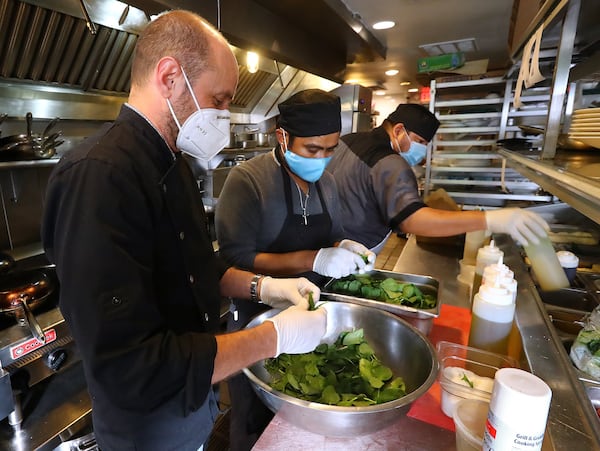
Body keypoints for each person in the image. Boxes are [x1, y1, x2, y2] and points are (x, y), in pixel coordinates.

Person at [41, 10, 327, 451]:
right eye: (220, 99)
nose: (225, 115)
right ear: (170, 77)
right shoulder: (98, 176)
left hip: (194, 406)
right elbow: (132, 365)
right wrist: (275, 336)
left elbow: (198, 268)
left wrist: (267, 288)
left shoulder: (172, 163)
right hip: (149, 431)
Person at [215, 88, 375, 450]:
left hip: (312, 315)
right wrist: (312, 259)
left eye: (330, 150)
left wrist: (345, 248)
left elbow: (332, 237)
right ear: (282, 136)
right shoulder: (248, 181)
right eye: (312, 149)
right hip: (259, 319)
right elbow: (233, 262)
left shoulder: (328, 184)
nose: (322, 160)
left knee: (306, 424)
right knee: (255, 424)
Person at [327, 103, 550, 254]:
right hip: (354, 249)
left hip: (322, 242)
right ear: (398, 130)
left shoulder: (349, 139)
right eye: (421, 142)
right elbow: (412, 220)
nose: (422, 150)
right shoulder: (391, 163)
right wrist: (488, 219)